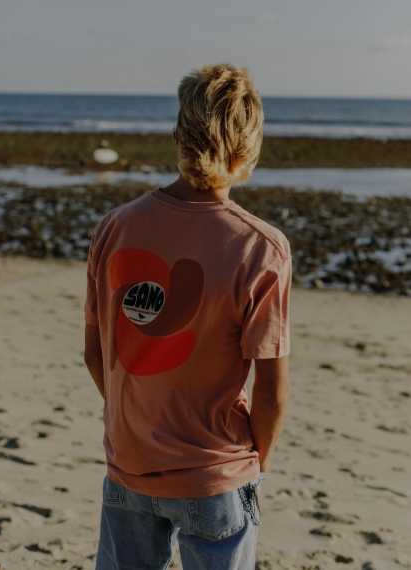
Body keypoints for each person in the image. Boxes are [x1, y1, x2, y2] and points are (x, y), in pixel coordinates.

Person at [84, 63, 291, 570]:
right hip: (214, 472)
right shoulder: (260, 248)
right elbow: (271, 387)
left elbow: (97, 354)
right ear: (250, 149)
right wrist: (255, 461)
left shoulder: (115, 227)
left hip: (129, 465)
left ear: (177, 135)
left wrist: (140, 422)